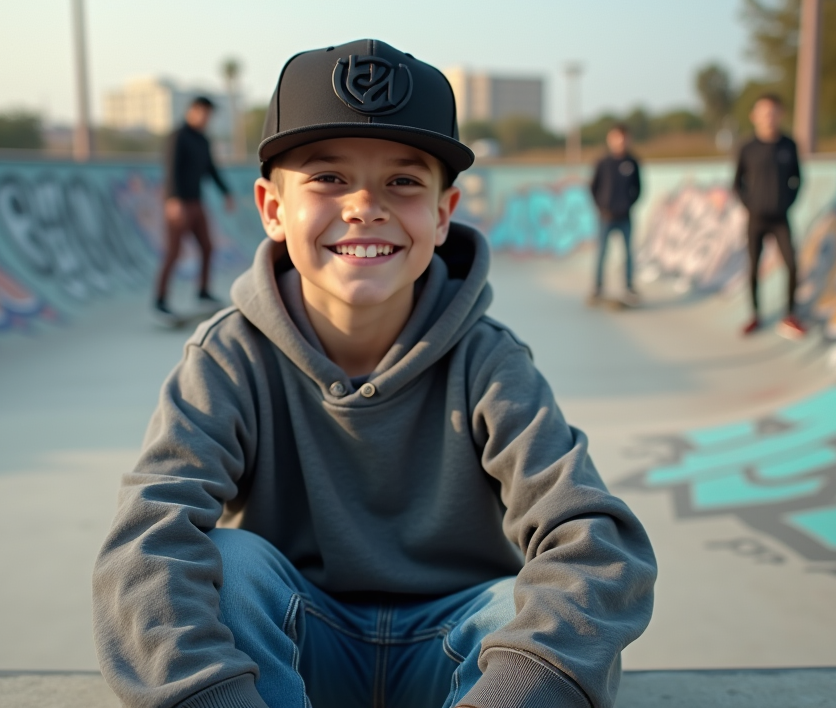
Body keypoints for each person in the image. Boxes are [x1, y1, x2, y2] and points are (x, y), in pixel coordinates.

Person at [94, 40, 656, 708]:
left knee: (522, 607)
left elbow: (594, 544)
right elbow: (149, 538)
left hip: (452, 650)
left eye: (404, 182)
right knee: (231, 566)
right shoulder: (229, 356)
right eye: (329, 178)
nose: (365, 205)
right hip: (296, 646)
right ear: (273, 209)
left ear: (443, 215)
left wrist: (519, 688)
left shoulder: (489, 363)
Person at [154, 95, 236, 320]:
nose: (206, 119)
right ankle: (160, 300)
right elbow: (171, 168)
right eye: (203, 113)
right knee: (174, 252)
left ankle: (203, 292)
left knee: (207, 247)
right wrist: (173, 199)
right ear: (192, 111)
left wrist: (226, 192)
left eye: (209, 115)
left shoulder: (203, 140)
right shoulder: (178, 136)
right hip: (178, 203)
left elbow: (211, 169)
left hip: (197, 203)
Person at [733, 94, 804, 338]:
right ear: (754, 117)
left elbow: (797, 179)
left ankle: (790, 315)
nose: (768, 118)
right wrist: (749, 205)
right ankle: (755, 315)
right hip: (756, 219)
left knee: (792, 265)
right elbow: (737, 183)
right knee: (754, 268)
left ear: (780, 115)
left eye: (773, 113)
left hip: (780, 218)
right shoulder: (747, 148)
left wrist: (787, 202)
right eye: (764, 113)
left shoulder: (789, 145)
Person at [588, 124, 641, 304]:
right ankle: (597, 288)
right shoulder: (603, 162)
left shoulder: (632, 162)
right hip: (606, 217)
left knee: (628, 253)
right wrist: (601, 207)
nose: (620, 141)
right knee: (602, 252)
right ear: (610, 140)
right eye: (616, 138)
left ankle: (629, 287)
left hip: (625, 216)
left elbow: (638, 188)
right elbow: (593, 187)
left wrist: (628, 205)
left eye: (623, 138)